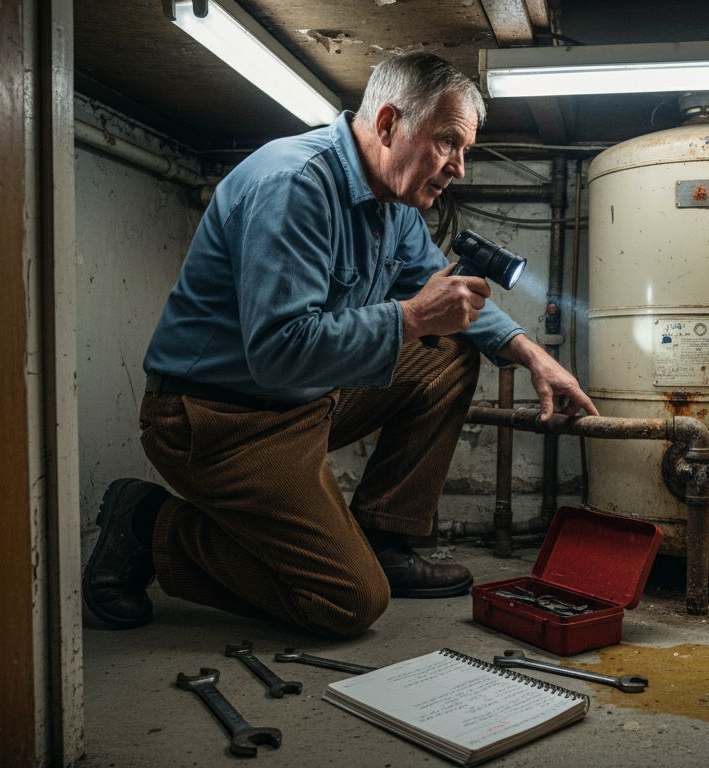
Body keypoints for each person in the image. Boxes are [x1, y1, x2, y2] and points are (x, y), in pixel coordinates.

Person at [82, 52, 597, 637]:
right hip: (218, 422)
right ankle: (150, 527)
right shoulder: (294, 184)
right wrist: (408, 318)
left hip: (301, 401)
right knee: (348, 602)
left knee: (449, 355)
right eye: (448, 142)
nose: (459, 167)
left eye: (466, 151)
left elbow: (447, 300)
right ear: (386, 125)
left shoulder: (395, 205)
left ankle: (384, 537)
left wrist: (533, 355)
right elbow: (278, 352)